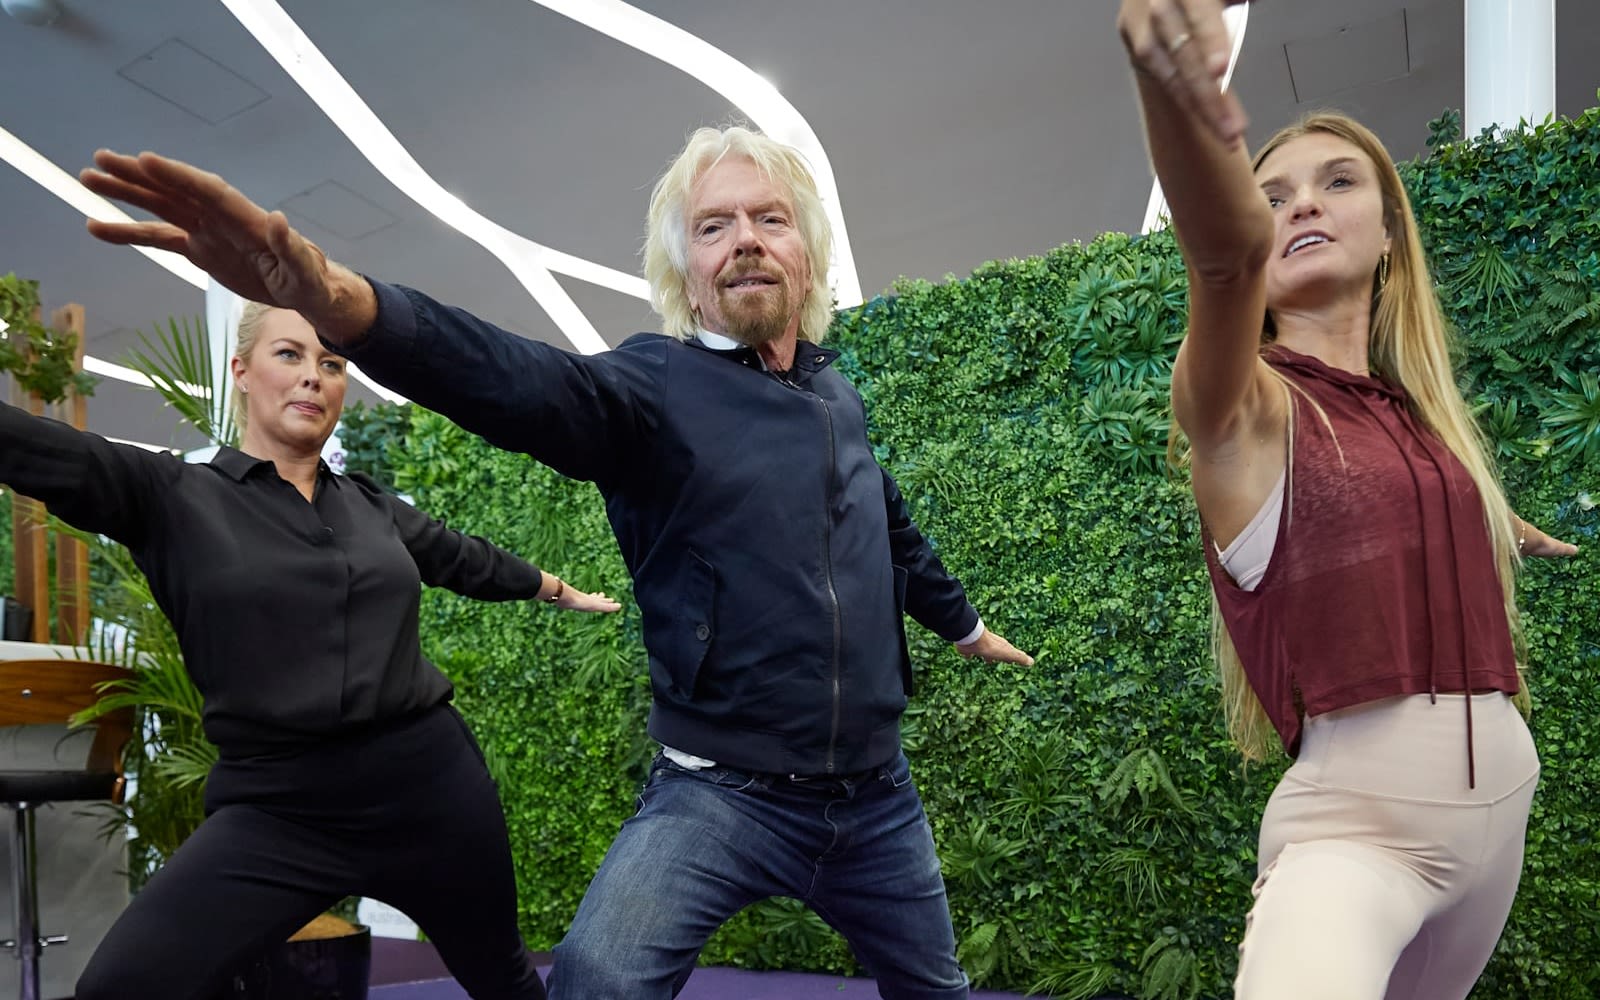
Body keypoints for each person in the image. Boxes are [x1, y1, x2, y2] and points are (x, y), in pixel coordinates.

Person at [78, 126, 1033, 999]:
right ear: (687, 273)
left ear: (806, 252)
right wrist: (336, 303)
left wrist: (960, 623)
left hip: (878, 800)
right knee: (593, 985)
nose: (744, 238)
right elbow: (514, 380)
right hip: (719, 797)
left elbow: (888, 522)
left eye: (769, 218)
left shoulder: (836, 393)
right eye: (713, 226)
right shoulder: (651, 391)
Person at [1114, 1, 1579, 998]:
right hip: (1354, 835)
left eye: (1336, 181)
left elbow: (1418, 500)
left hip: (1503, 806)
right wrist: (1169, 89)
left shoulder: (1418, 417)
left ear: (1387, 232)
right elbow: (1224, 257)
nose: (1300, 204)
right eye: (1271, 191)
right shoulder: (1245, 408)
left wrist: (1498, 522)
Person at [0, 301, 621, 1000]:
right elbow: (35, 448)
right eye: (290, 356)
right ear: (241, 371)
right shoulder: (169, 494)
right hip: (280, 810)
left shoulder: (369, 506)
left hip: (432, 791)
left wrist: (552, 587)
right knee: (125, 986)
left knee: (504, 980)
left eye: (331, 364)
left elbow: (458, 557)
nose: (313, 378)